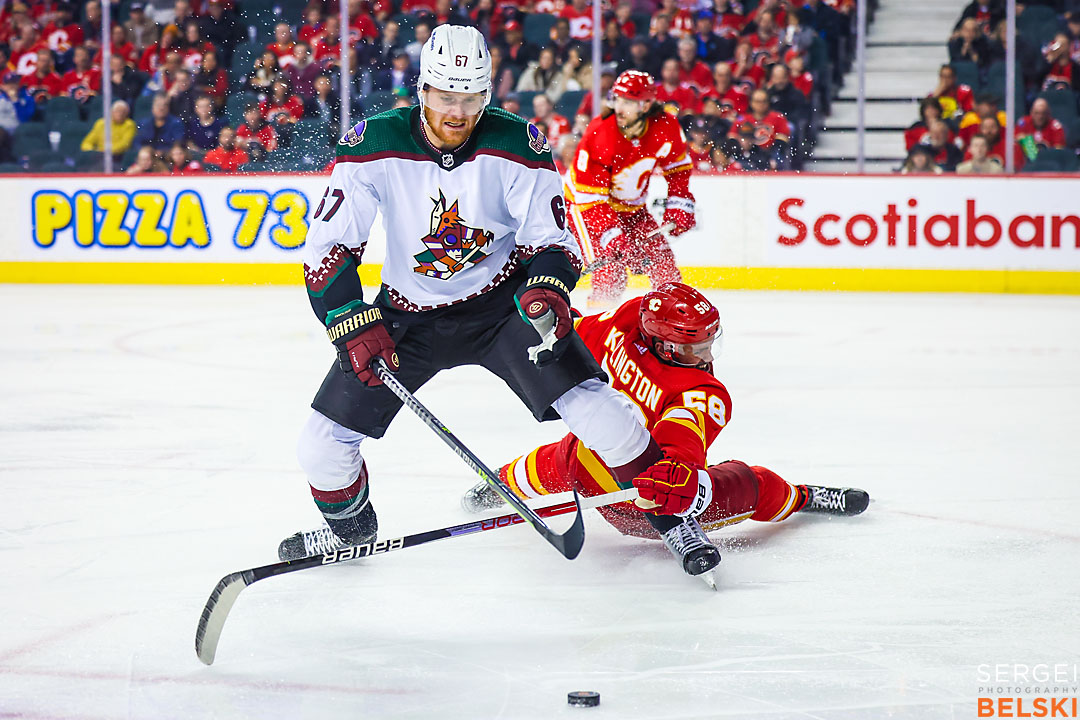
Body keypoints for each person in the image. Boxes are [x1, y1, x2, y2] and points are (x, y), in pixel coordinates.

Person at [279, 25, 699, 578]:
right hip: (406, 316)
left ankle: (673, 518)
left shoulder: (519, 143)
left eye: (472, 98)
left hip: (502, 309)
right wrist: (348, 317)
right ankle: (351, 531)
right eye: (445, 96)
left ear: (488, 94)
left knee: (599, 408)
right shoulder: (373, 144)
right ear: (422, 89)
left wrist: (546, 288)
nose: (457, 112)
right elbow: (329, 245)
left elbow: (554, 240)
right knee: (321, 446)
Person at [461, 284, 869, 582]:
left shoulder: (696, 385)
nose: (706, 357)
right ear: (662, 342)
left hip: (643, 487)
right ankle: (501, 485)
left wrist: (678, 467)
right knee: (567, 456)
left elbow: (684, 433)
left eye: (709, 344)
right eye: (695, 349)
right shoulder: (634, 326)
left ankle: (803, 496)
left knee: (745, 485)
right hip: (622, 482)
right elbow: (583, 337)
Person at [564, 70, 695, 307]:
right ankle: (597, 322)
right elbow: (589, 199)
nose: (619, 108)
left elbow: (678, 170)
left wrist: (680, 205)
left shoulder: (665, 126)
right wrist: (614, 237)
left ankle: (676, 317)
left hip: (633, 210)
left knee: (662, 263)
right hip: (585, 208)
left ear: (646, 105)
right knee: (610, 274)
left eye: (628, 102)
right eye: (618, 100)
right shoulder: (600, 133)